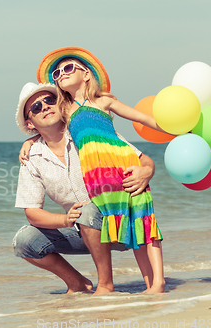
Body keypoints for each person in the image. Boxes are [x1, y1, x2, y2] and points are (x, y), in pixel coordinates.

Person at [23, 47, 166, 293]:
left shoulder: (104, 101)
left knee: (144, 222)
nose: (61, 74)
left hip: (123, 165)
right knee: (129, 223)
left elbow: (141, 119)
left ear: (86, 74)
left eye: (68, 68)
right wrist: (29, 141)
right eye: (57, 72)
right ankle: (146, 284)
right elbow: (46, 126)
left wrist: (173, 128)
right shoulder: (66, 110)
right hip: (98, 179)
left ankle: (158, 282)